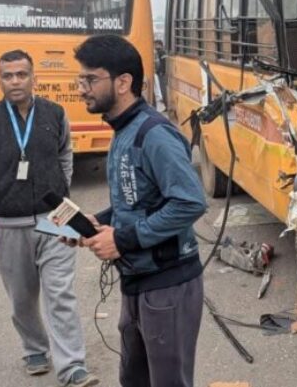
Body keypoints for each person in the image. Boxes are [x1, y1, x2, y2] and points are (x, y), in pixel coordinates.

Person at [0, 50, 99, 387]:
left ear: (34, 78)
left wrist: (63, 194)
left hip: (57, 218)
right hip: (10, 224)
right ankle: (34, 348)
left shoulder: (55, 114)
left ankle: (72, 366)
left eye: (22, 74)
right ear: (0, 81)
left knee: (61, 293)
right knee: (22, 298)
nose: (15, 81)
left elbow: (65, 155)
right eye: (8, 76)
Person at [72, 34, 206, 387]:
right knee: (134, 379)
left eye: (90, 79)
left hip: (168, 283)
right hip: (137, 281)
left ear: (123, 82)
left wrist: (122, 240)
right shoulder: (123, 130)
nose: (82, 89)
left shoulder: (154, 134)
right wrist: (97, 223)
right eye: (80, 80)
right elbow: (136, 201)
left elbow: (190, 201)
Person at [153, 39, 167, 109]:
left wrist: (160, 71)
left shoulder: (160, 52)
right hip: (161, 72)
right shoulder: (161, 51)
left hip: (161, 73)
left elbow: (162, 63)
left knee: (162, 89)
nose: (154, 46)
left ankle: (165, 104)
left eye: (155, 44)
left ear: (159, 44)